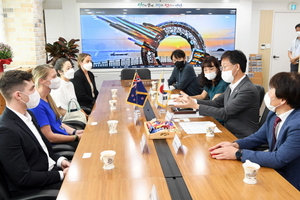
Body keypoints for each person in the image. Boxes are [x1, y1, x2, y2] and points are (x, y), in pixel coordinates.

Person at [208, 72, 300, 190]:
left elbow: (278, 159)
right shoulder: (274, 114)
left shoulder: (297, 124)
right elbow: (258, 137)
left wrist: (238, 153)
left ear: (282, 100)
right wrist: (235, 144)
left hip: (291, 181)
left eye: (271, 89)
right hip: (273, 172)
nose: (268, 93)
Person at [0, 70, 70, 197]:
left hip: (50, 173)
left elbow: (45, 152)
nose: (36, 92)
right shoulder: (6, 131)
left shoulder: (29, 115)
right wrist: (61, 174)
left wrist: (61, 161)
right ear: (18, 95)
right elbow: (23, 178)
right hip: (36, 189)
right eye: (32, 89)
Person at [174, 50, 260, 138]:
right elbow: (215, 103)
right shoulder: (233, 85)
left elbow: (225, 113)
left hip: (240, 136)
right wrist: (192, 100)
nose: (222, 71)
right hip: (228, 130)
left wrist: (196, 106)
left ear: (237, 67)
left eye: (225, 67)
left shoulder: (247, 89)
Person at [30, 64, 83, 149]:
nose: (57, 79)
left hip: (65, 138)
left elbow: (58, 123)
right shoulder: (37, 105)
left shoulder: (47, 96)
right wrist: (75, 138)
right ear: (42, 81)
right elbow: (50, 137)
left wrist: (75, 132)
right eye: (54, 76)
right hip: (59, 145)